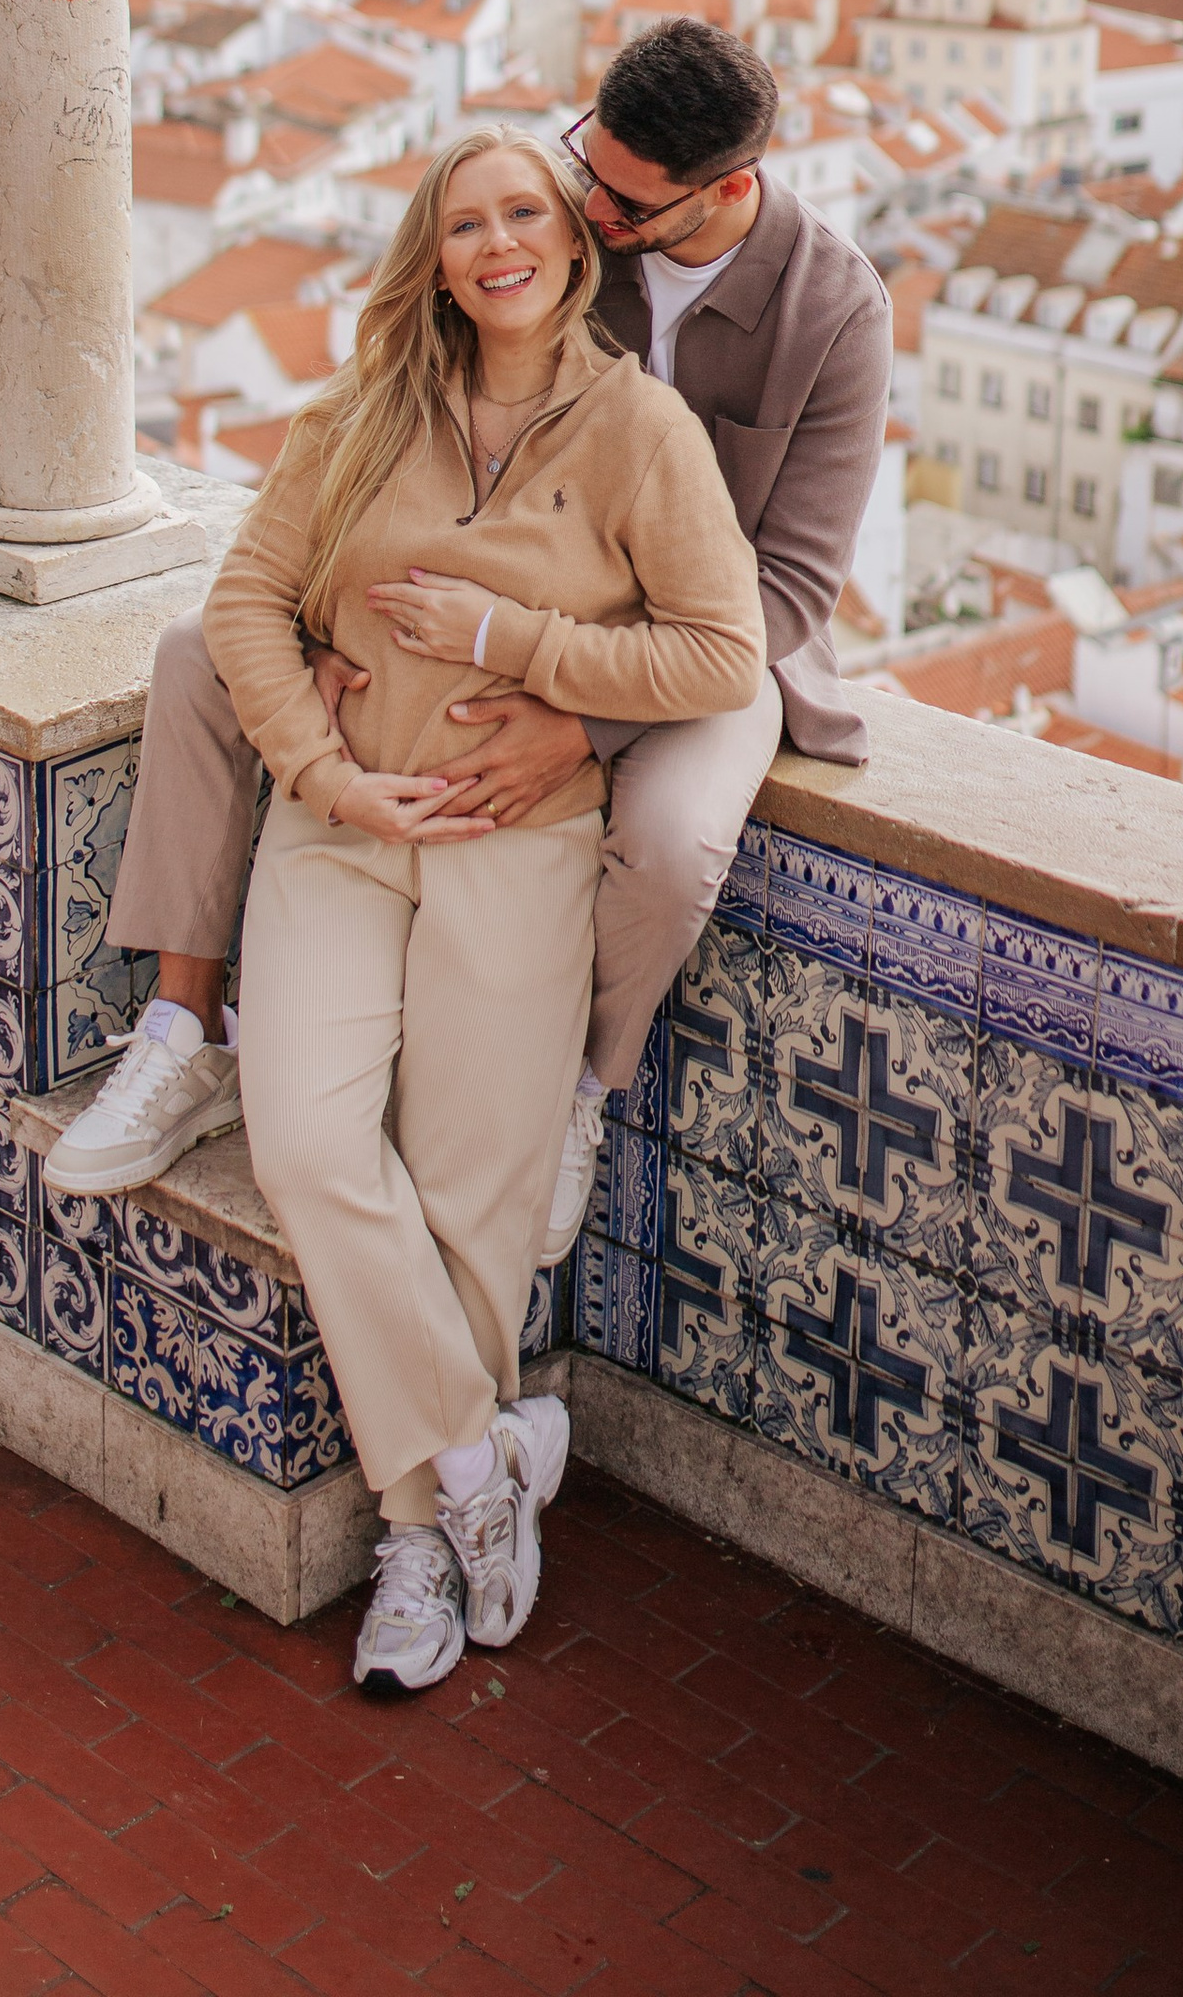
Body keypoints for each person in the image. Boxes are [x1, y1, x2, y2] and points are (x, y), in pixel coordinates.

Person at [60, 16, 892, 1237]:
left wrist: (585, 722)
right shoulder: (564, 224)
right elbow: (421, 381)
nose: (583, 207)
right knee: (201, 653)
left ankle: (582, 1092)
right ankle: (186, 1026)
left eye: (619, 203)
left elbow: (784, 596)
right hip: (484, 594)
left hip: (705, 650)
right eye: (583, 165)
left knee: (666, 842)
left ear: (726, 192)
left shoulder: (833, 312)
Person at [201, 126, 764, 1694]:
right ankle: (478, 1460)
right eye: (465, 223)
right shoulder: (367, 409)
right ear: (433, 256)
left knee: (467, 1201)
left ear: (576, 248)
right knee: (308, 1140)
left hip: (519, 843)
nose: (497, 243)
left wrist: (519, 641)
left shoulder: (644, 433)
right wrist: (326, 774)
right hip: (343, 832)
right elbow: (245, 602)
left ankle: (414, 1549)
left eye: (526, 214)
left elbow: (722, 657)